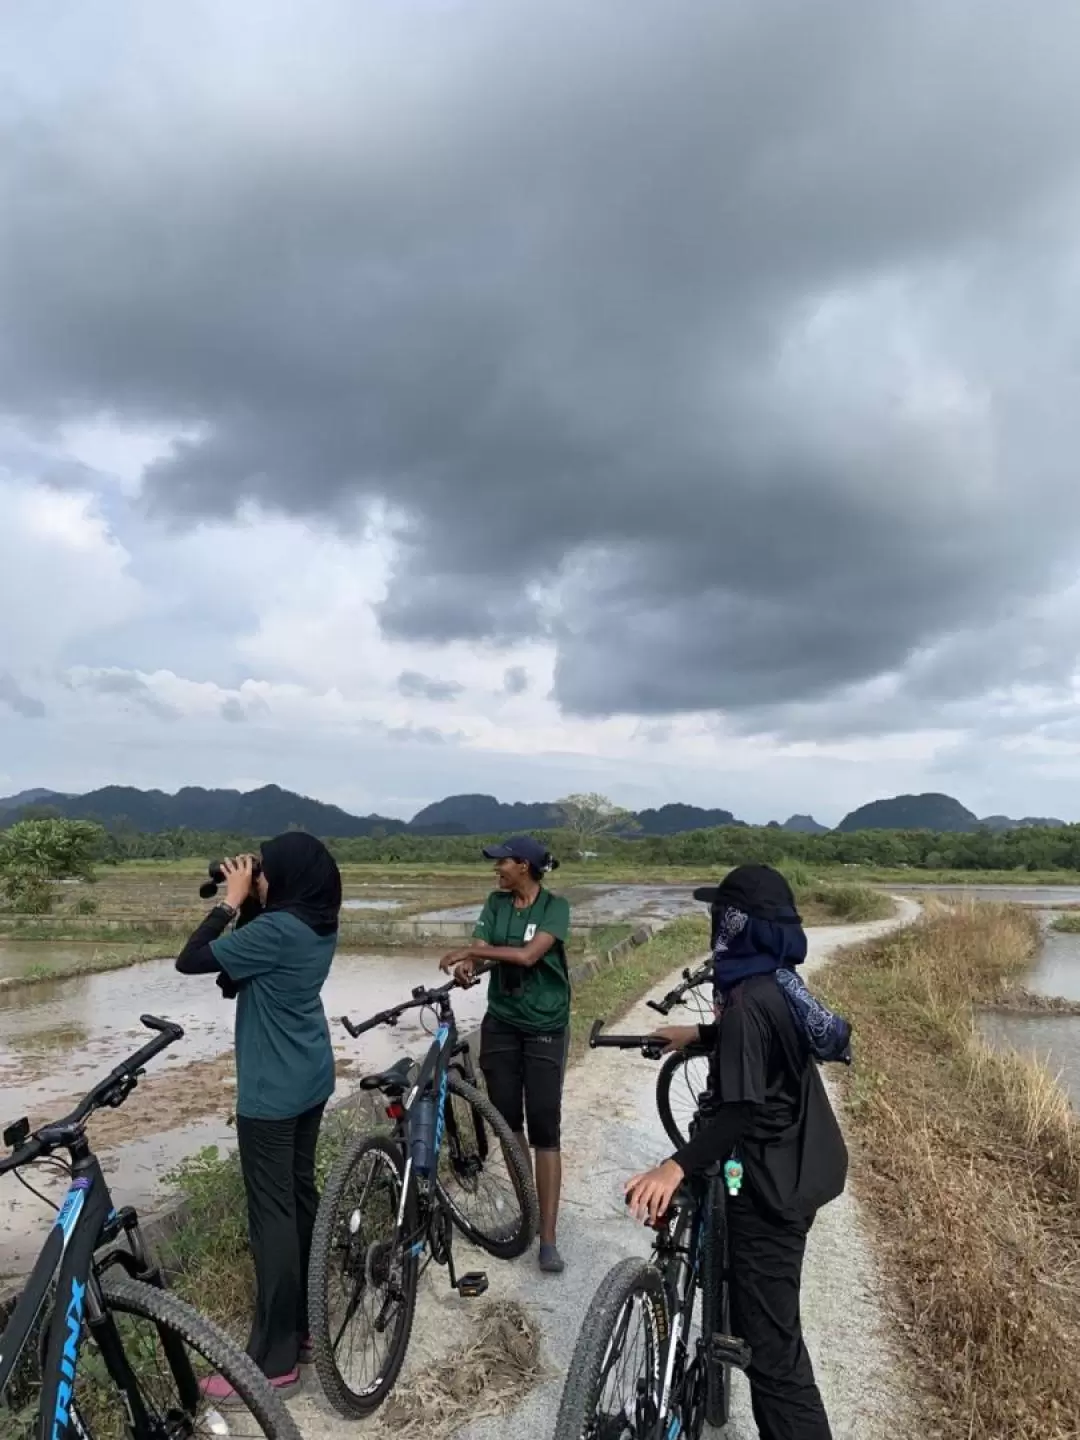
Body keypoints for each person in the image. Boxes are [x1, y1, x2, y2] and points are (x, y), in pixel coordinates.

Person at [624, 864, 846, 1440]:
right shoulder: (774, 983)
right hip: (797, 1160)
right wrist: (697, 1036)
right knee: (760, 1327)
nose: (713, 924)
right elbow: (763, 1041)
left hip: (772, 1184)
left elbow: (740, 1113)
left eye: (719, 914)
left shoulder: (746, 1000)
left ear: (738, 924)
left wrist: (673, 1166)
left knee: (774, 1357)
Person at [175, 832, 342, 1399]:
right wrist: (251, 901)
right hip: (312, 1077)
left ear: (286, 878)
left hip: (271, 1094)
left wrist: (228, 902)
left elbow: (192, 961)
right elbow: (233, 978)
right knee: (297, 1201)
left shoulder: (274, 931)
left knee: (271, 1219)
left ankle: (272, 1364)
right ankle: (306, 1327)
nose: (258, 878)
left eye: (264, 872)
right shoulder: (316, 924)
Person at [439, 834, 571, 1274]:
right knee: (507, 1123)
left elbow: (530, 956)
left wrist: (474, 951)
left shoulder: (555, 907)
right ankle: (528, 1214)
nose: (497, 869)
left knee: (544, 1130)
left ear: (525, 866)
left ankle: (548, 1237)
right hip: (502, 1024)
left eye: (503, 863)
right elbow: (481, 950)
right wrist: (467, 966)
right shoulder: (496, 905)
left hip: (545, 1027)